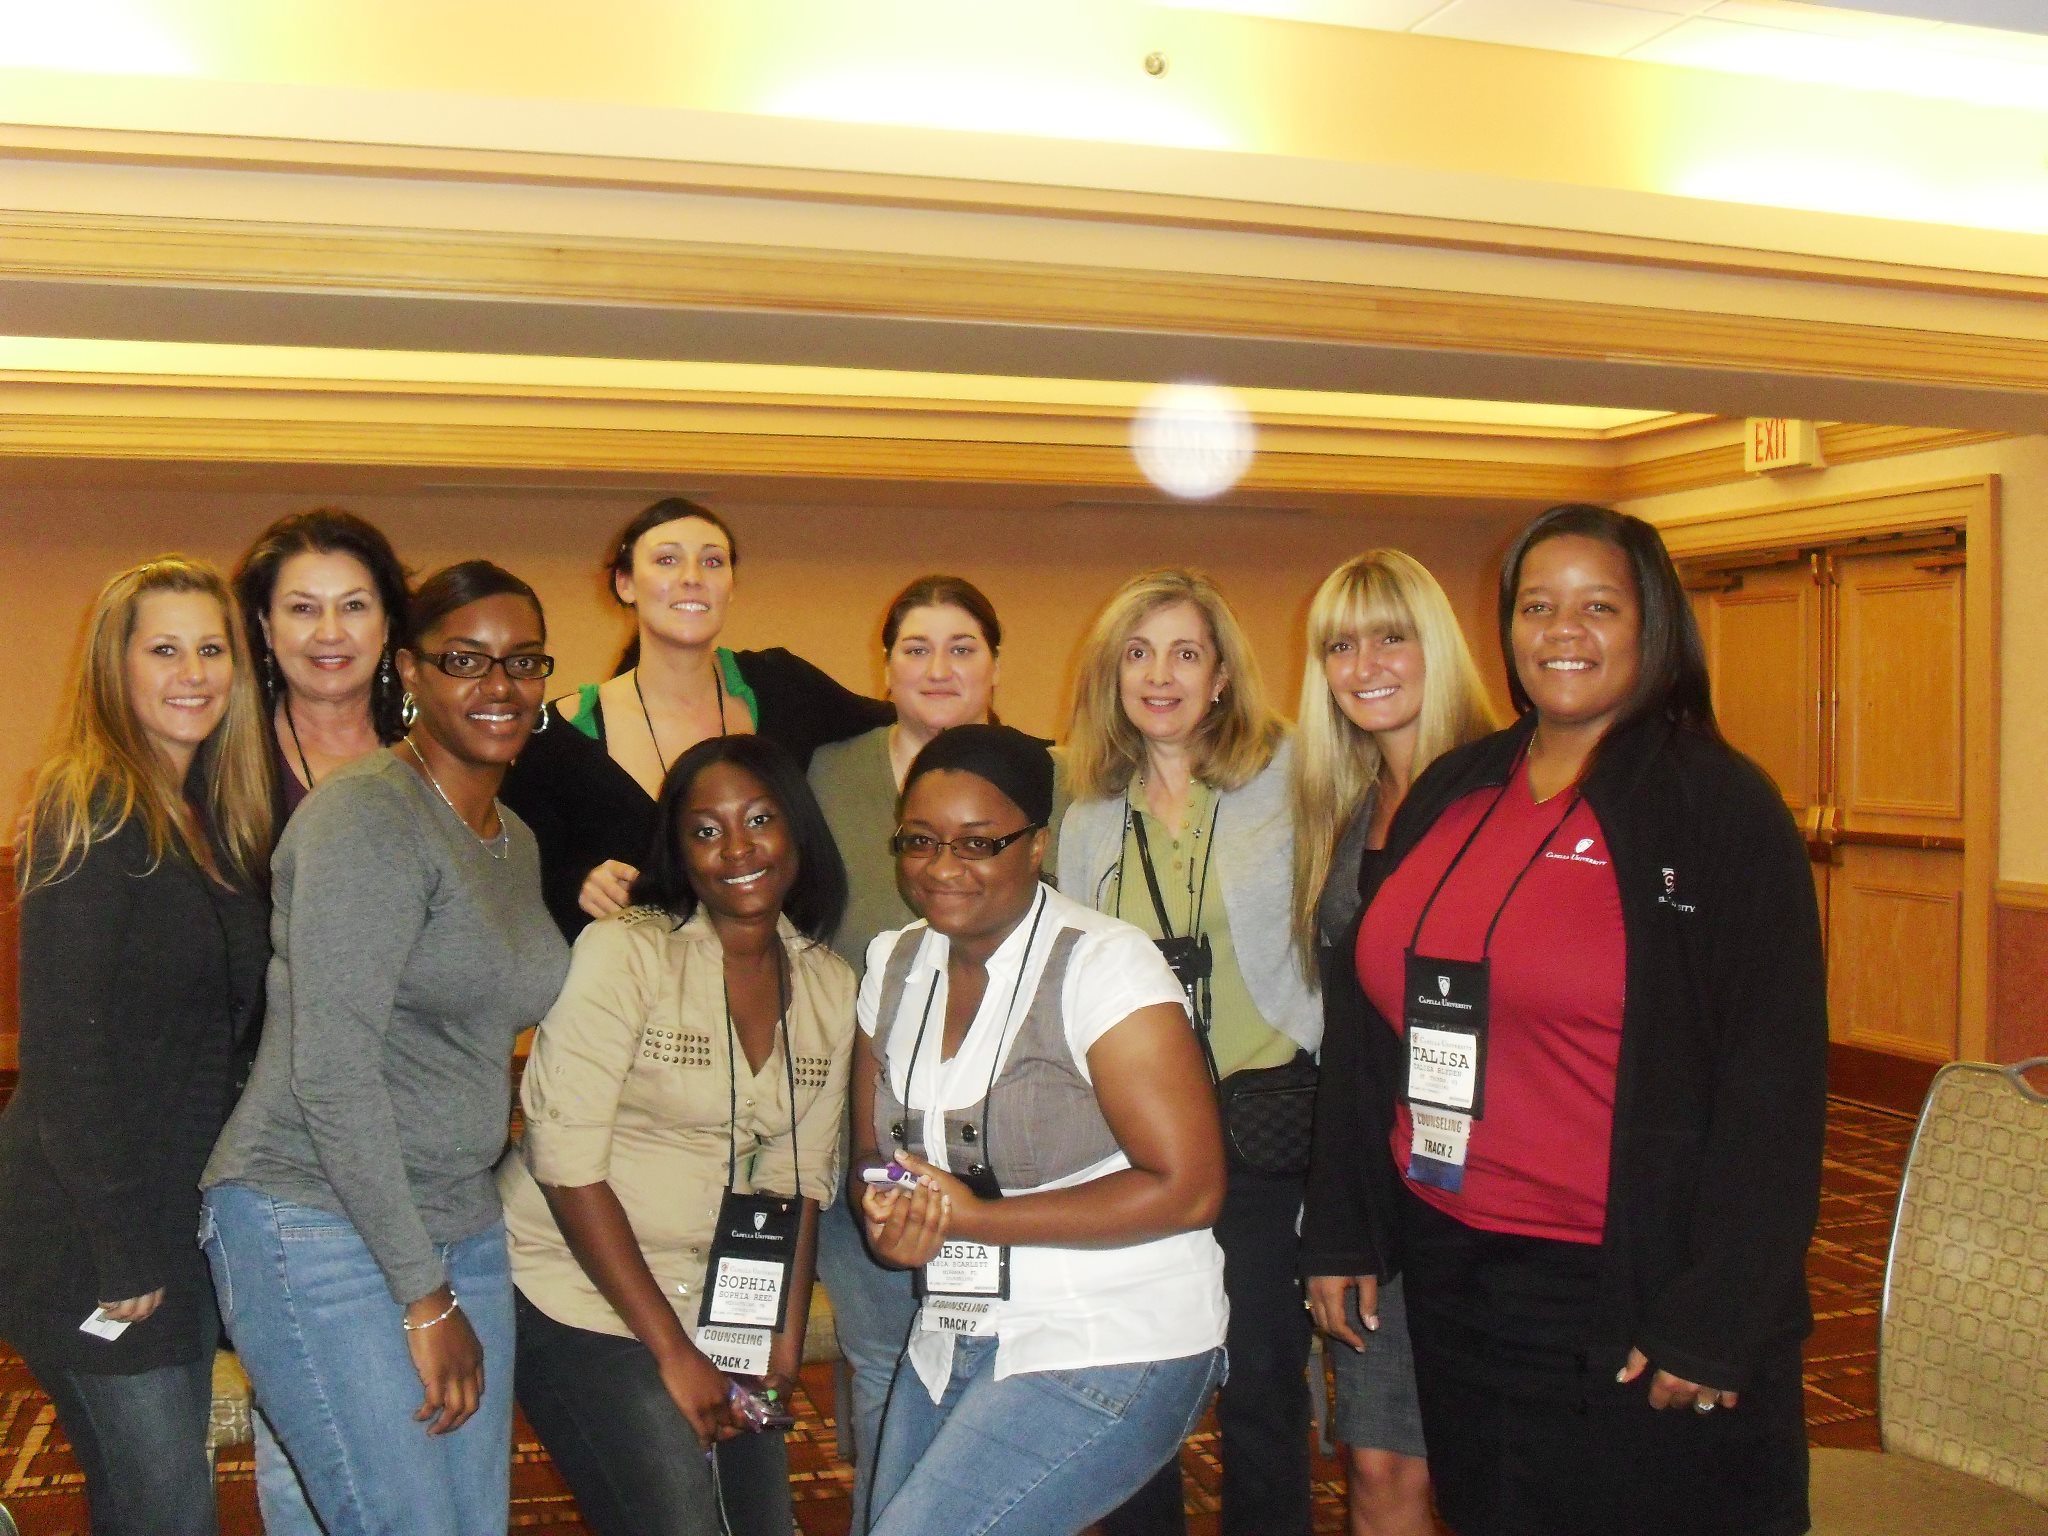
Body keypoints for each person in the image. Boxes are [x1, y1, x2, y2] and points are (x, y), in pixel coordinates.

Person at [1302, 504, 1827, 1536]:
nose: (1562, 632)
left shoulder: (1714, 805)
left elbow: (1773, 1084)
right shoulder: (1457, 786)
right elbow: (1371, 1027)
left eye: (1599, 606)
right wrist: (1344, 1225)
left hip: (1621, 1279)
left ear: (1653, 624)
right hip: (1452, 1260)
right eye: (1537, 607)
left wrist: (1719, 1313)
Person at [201, 561, 570, 1536]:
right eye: (466, 660)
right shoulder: (365, 817)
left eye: (523, 660)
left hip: (458, 1216)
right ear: (409, 672)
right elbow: (331, 1074)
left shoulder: (513, 838)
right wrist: (422, 1293)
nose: (500, 685)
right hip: (315, 1216)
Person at [855, 725, 1227, 1536]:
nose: (942, 867)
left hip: (1111, 1329)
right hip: (955, 1325)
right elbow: (873, 1156)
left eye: (977, 843)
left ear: (1036, 845)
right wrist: (888, 1217)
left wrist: (976, 1221)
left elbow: (1190, 1188)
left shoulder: (1105, 965)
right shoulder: (895, 964)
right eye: (920, 840)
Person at [500, 734, 855, 1536]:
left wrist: (778, 1348)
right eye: (705, 830)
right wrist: (673, 1351)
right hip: (575, 1292)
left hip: (723, 1299)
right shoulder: (627, 951)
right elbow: (565, 1163)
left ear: (798, 829)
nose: (737, 849)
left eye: (759, 819)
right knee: (680, 1519)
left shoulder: (829, 986)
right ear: (679, 850)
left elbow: (798, 1183)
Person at [0, 557, 272, 1536]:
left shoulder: (211, 815)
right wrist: (124, 1252)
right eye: (164, 650)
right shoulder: (90, 808)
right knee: (166, 1507)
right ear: (114, 668)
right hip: (90, 1236)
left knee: (151, 1500)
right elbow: (66, 1058)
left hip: (172, 1222)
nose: (193, 673)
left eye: (211, 649)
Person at [1058, 569, 1319, 1536]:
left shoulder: (1288, 780)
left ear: (1221, 676)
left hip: (1262, 1125)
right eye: (1138, 654)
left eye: (1184, 653)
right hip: (1140, 1141)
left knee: (1263, 1377)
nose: (1159, 676)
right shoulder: (1091, 813)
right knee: (1141, 1378)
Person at [806, 573, 1064, 1518]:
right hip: (871, 1128)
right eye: (916, 648)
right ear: (884, 668)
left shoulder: (1050, 776)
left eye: (963, 647)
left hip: (1014, 1144)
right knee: (885, 1361)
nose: (939, 667)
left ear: (995, 665)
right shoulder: (830, 773)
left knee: (1011, 1370)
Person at [1292, 551, 1497, 1536]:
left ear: (1436, 646)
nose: (1364, 665)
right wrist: (1338, 1228)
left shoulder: (1509, 793)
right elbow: (1351, 1046)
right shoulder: (1346, 811)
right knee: (1378, 1465)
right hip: (1386, 1186)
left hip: (1501, 1207)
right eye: (1340, 645)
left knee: (1501, 1475)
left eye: (1390, 637)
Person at [232, 505, 411, 1536]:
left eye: (354, 605)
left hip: (417, 1136)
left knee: (420, 1404)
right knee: (309, 1421)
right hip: (279, 1138)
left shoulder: (436, 757)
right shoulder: (226, 760)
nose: (330, 632)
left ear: (389, 624)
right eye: (302, 609)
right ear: (263, 627)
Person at [502, 496, 890, 940]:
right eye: (667, 560)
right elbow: (513, 862)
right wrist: (578, 882)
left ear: (730, 586)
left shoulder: (784, 686)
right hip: (634, 978)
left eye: (712, 562)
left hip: (778, 968)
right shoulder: (558, 737)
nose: (692, 577)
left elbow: (892, 726)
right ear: (625, 584)